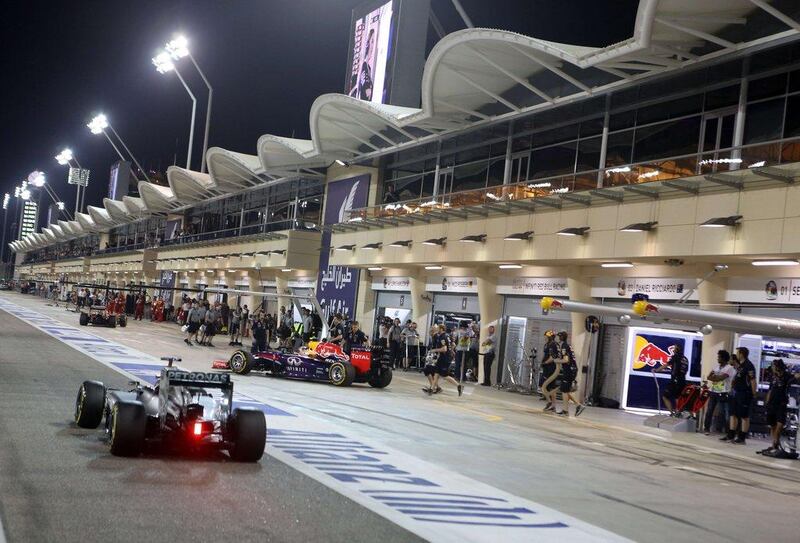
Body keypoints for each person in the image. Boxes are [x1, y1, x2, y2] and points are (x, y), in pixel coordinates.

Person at [760, 359, 798, 455]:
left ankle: (776, 443)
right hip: (771, 404)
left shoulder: (787, 376)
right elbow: (770, 390)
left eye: (773, 366)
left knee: (780, 425)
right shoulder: (772, 377)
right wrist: (767, 403)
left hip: (781, 404)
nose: (772, 367)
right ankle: (774, 445)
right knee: (773, 425)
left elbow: (796, 376)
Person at [722, 346, 758, 444]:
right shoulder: (740, 366)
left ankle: (742, 438)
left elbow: (753, 380)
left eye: (738, 353)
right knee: (733, 414)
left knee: (744, 416)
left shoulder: (749, 366)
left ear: (742, 354)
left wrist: (754, 394)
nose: (736, 354)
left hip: (744, 394)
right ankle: (731, 435)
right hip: (736, 393)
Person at [704, 350, 736, 434]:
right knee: (709, 411)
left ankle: (724, 430)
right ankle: (706, 428)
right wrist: (715, 377)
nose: (717, 358)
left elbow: (721, 378)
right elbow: (709, 377)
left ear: (723, 358)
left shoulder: (730, 368)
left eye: (719, 357)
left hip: (723, 392)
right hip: (713, 391)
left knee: (723, 412)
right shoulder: (716, 367)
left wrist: (715, 377)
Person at [423, 326, 462, 396]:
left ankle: (458, 385)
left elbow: (444, 349)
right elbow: (453, 344)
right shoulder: (447, 335)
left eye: (437, 329)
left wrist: (434, 350)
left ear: (441, 329)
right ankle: (432, 389)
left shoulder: (442, 337)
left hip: (444, 358)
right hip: (443, 357)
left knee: (444, 375)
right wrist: (451, 351)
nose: (436, 330)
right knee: (437, 373)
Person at [556, 330, 585, 417]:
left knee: (564, 390)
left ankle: (566, 411)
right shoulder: (567, 345)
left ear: (561, 337)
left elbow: (566, 360)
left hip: (569, 370)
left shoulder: (564, 346)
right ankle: (578, 405)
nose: (557, 338)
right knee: (565, 390)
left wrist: (557, 360)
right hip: (571, 369)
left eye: (559, 336)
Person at [656, 343, 689, 417]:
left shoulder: (675, 357)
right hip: (683, 381)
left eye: (674, 348)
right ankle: (678, 413)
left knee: (665, 396)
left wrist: (656, 370)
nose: (673, 349)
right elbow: (683, 370)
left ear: (677, 349)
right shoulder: (685, 359)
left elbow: (666, 365)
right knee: (678, 397)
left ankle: (672, 413)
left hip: (675, 381)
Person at [540, 330, 560, 411]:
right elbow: (545, 355)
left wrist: (545, 363)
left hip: (551, 368)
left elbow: (552, 357)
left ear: (549, 337)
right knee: (546, 386)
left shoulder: (553, 345)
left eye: (546, 336)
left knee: (548, 386)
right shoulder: (547, 344)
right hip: (547, 367)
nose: (544, 337)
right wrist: (542, 363)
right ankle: (551, 403)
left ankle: (551, 403)